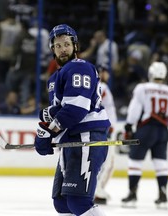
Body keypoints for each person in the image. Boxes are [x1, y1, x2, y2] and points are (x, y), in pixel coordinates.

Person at [33, 24, 111, 216]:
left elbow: (76, 109)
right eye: (57, 46)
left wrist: (49, 131)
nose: (63, 49)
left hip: (86, 137)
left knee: (78, 202)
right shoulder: (55, 77)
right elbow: (62, 111)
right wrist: (47, 130)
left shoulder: (79, 67)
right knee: (62, 203)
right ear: (52, 49)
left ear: (75, 46)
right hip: (72, 140)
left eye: (66, 44)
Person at [121, 62, 168, 208]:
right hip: (162, 130)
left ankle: (132, 193)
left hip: (146, 129)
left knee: (135, 161)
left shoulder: (143, 88)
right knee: (161, 163)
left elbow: (135, 108)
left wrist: (128, 125)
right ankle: (163, 193)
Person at [94, 65, 118, 205]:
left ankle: (96, 190)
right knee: (107, 163)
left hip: (102, 128)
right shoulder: (102, 86)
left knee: (102, 162)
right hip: (105, 129)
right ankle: (97, 190)